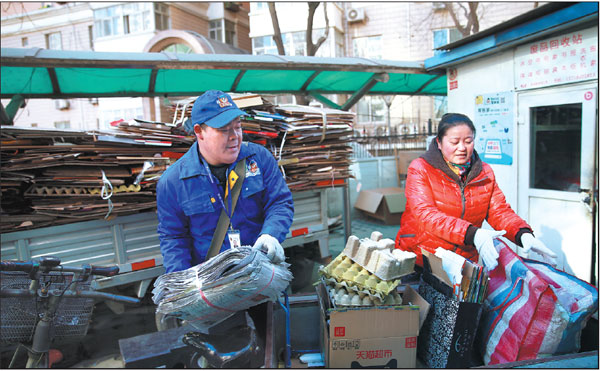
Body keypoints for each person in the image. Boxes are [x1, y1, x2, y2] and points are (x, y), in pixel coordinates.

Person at [395, 113, 556, 271]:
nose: (462, 148)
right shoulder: (421, 168)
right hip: (422, 257)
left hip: (462, 262)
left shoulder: (484, 172)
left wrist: (522, 233)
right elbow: (426, 214)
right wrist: (473, 234)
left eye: (468, 141)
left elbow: (498, 211)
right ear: (439, 142)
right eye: (454, 142)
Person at [157, 90, 294, 273]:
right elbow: (174, 238)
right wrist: (183, 287)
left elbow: (279, 202)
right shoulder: (173, 182)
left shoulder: (259, 159)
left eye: (237, 127)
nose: (234, 136)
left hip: (261, 272)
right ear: (199, 131)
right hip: (212, 283)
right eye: (223, 130)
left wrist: (271, 234)